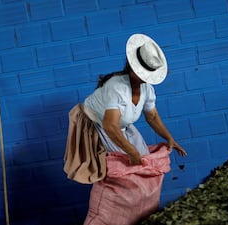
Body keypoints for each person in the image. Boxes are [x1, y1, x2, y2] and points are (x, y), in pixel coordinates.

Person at [76, 34, 187, 225]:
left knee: (142, 163)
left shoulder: (146, 89)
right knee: (123, 169)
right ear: (132, 67)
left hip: (120, 126)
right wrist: (130, 150)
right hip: (97, 126)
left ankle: (137, 216)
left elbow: (151, 116)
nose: (145, 79)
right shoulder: (116, 87)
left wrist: (169, 138)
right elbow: (110, 126)